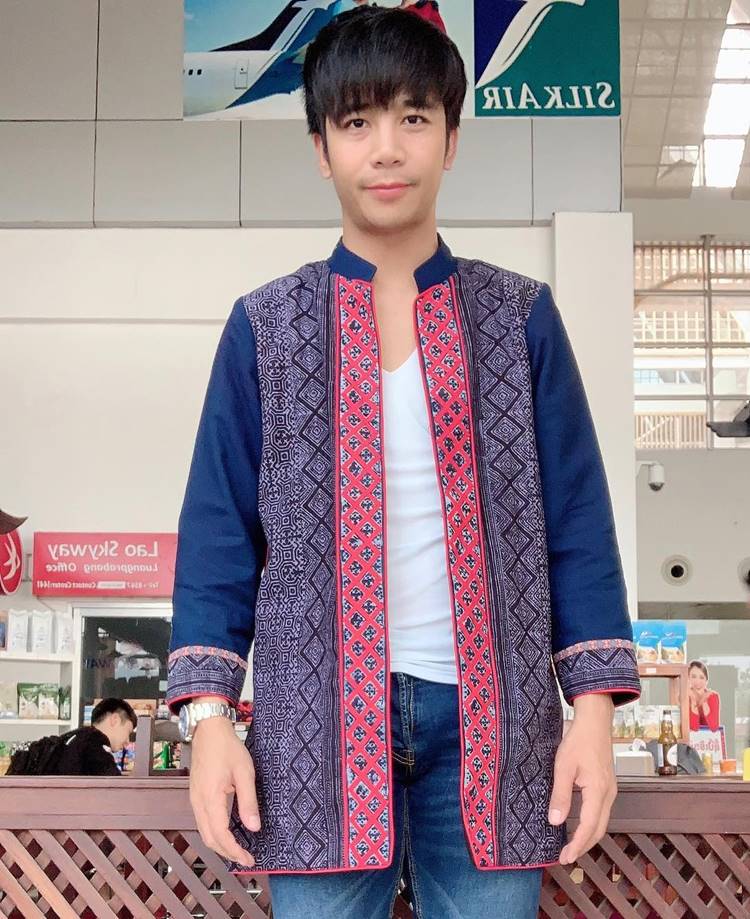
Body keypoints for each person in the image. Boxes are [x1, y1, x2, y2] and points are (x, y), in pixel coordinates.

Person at [165, 7, 641, 917]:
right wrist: (210, 719)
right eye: (357, 121)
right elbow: (219, 529)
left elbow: (577, 521)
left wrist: (591, 713)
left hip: (496, 730)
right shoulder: (266, 327)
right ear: (321, 148)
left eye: (414, 117)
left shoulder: (520, 319)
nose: (387, 148)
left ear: (451, 140)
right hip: (314, 731)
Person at [53, 698, 137, 776]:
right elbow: (114, 785)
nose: (127, 741)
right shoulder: (95, 745)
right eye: (128, 732)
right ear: (115, 720)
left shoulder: (69, 739)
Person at [688, 660, 721, 732]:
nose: (697, 681)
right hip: (690, 738)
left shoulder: (713, 696)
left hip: (708, 738)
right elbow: (694, 727)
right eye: (693, 677)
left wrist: (704, 701)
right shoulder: (685, 697)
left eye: (701, 677)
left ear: (706, 680)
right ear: (688, 678)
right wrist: (693, 699)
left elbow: (714, 728)